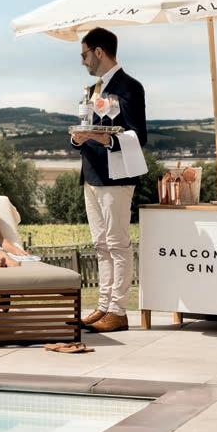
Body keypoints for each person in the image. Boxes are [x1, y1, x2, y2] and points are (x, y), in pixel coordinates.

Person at [71, 27, 147, 333]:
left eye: (84, 54)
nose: (82, 61)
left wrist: (103, 139)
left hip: (116, 176)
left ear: (99, 52)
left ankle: (118, 311)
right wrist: (78, 138)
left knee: (117, 244)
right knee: (100, 244)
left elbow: (138, 135)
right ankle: (103, 306)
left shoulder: (130, 87)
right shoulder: (92, 90)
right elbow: (86, 127)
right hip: (91, 175)